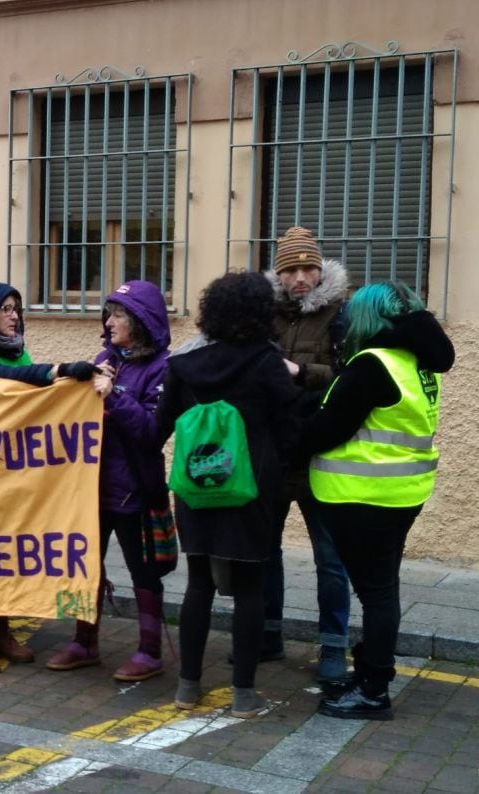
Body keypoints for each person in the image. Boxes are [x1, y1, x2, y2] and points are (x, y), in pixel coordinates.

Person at [304, 281, 453, 720]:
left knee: (377, 595)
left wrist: (287, 430)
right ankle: (371, 672)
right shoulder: (417, 364)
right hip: (400, 495)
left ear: (368, 318)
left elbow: (325, 431)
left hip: (363, 498)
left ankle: (373, 690)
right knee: (382, 589)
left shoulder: (372, 365)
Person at [156, 271, 297, 718]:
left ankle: (187, 687)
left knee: (199, 584)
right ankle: (243, 694)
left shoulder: (183, 364)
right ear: (262, 313)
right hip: (252, 489)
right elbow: (290, 433)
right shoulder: (267, 363)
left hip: (197, 487)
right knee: (250, 587)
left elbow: (160, 426)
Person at [0, 281, 97, 673]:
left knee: (4, 552)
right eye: (6, 309)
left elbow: (36, 396)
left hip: (10, 474)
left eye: (17, 308)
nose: (15, 316)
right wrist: (59, 370)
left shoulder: (22, 352)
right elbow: (8, 378)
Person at [45, 280, 171, 681]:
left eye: (118, 314)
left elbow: (153, 430)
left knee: (143, 572)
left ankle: (150, 651)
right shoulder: (105, 357)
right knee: (87, 566)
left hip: (135, 491)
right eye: (109, 312)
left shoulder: (163, 367)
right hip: (93, 487)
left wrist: (112, 393)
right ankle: (84, 642)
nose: (109, 320)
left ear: (140, 321)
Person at [262, 226, 353, 683]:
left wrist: (300, 371)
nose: (300, 277)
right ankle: (268, 635)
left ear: (320, 270)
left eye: (307, 268)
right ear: (280, 275)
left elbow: (350, 374)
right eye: (291, 269)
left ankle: (333, 647)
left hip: (321, 451)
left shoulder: (344, 312)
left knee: (331, 559)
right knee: (265, 550)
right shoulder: (265, 314)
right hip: (276, 450)